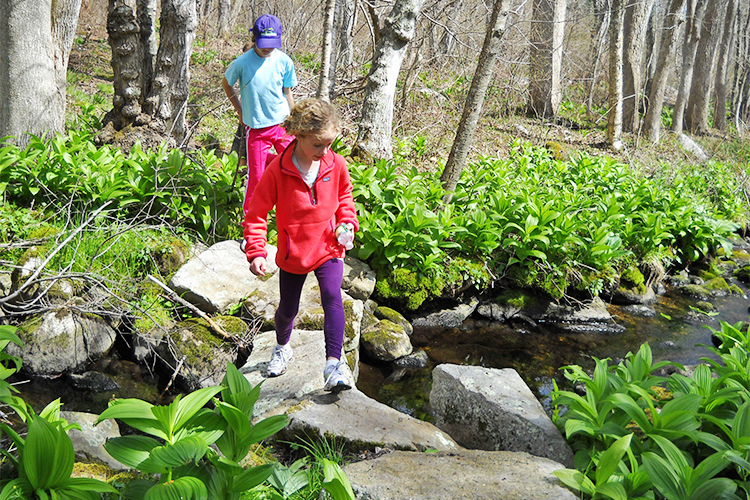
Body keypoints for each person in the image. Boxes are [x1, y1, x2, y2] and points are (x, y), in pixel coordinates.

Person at [242, 99, 358, 392]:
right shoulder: (278, 170)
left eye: (330, 144)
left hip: (329, 247)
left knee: (332, 296)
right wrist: (256, 250)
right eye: (319, 145)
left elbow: (345, 197)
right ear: (299, 135)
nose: (325, 151)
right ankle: (282, 345)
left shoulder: (336, 163)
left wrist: (347, 222)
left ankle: (334, 364)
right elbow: (256, 213)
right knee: (288, 309)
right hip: (294, 254)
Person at [222, 14, 297, 216]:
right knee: (256, 177)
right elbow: (227, 83)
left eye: (272, 44)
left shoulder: (284, 61)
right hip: (256, 128)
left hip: (282, 125)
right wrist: (239, 108)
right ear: (254, 38)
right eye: (263, 43)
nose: (267, 48)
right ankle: (251, 222)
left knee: (295, 164)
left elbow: (287, 92)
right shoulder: (242, 63)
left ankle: (291, 210)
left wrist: (295, 121)